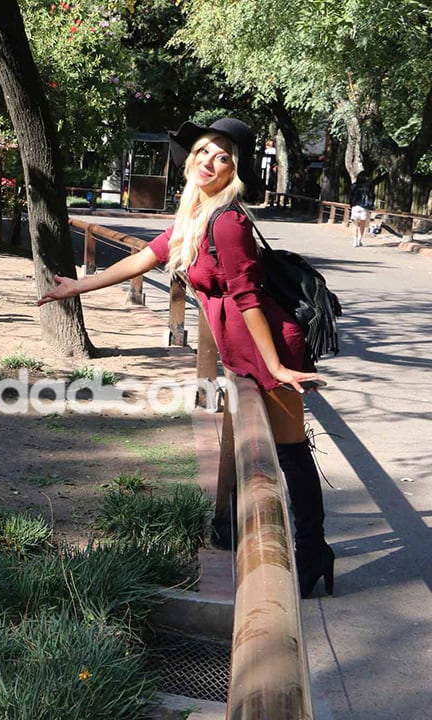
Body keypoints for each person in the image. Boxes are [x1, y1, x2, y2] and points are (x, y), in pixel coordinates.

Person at [38, 118, 335, 598]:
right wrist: (78, 287)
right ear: (190, 157)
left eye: (223, 157)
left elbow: (247, 298)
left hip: (270, 348)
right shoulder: (195, 216)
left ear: (234, 170)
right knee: (275, 451)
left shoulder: (229, 221)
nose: (209, 162)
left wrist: (276, 366)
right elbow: (145, 258)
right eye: (204, 151)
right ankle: (298, 545)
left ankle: (312, 550)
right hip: (245, 354)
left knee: (288, 452)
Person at [349, 173, 374, 247]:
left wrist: (351, 205)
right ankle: (359, 240)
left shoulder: (353, 186)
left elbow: (350, 197)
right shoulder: (368, 187)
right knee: (362, 225)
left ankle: (354, 241)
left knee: (355, 225)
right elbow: (372, 196)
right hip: (364, 207)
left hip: (355, 207)